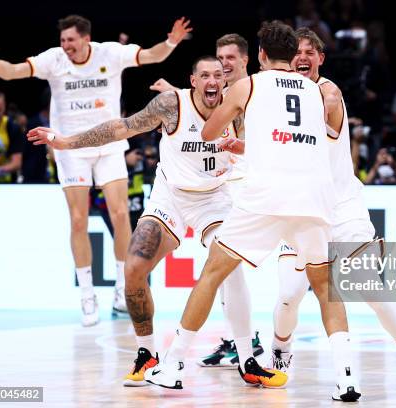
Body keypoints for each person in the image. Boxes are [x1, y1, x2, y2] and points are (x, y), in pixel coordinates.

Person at [143, 20, 361, 402]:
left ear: (260, 54)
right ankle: (346, 380)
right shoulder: (316, 90)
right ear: (293, 55)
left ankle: (173, 364)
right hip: (313, 199)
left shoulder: (249, 85)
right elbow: (295, 141)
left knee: (212, 273)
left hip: (266, 199)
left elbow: (210, 133)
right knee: (326, 287)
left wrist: (230, 130)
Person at [27, 56, 250, 387]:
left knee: (228, 266)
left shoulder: (238, 106)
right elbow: (121, 127)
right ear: (193, 81)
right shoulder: (171, 105)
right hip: (170, 196)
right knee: (133, 269)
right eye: (205, 75)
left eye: (218, 75)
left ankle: (246, 356)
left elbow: (258, 149)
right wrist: (66, 141)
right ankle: (147, 354)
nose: (213, 80)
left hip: (214, 198)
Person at [0, 14, 193, 326]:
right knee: (78, 220)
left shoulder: (110, 54)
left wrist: (172, 40)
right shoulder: (54, 59)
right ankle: (87, 295)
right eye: (63, 41)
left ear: (86, 39)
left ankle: (122, 286)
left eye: (71, 41)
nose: (66, 46)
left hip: (108, 144)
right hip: (70, 148)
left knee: (120, 215)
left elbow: (152, 55)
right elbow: (12, 72)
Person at [268, 27, 396, 391]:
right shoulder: (277, 97)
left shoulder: (329, 92)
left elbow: (322, 111)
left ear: (320, 59)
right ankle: (279, 353)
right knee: (289, 294)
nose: (303, 57)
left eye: (310, 52)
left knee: (370, 289)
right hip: (298, 210)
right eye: (296, 51)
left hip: (342, 208)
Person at [149, 33, 265, 368]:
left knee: (228, 265)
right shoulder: (226, 94)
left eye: (230, 58)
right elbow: (196, 111)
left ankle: (244, 342)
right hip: (228, 184)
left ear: (246, 60)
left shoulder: (254, 92)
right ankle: (238, 341)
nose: (224, 64)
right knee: (226, 266)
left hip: (248, 183)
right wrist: (173, 96)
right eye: (219, 58)